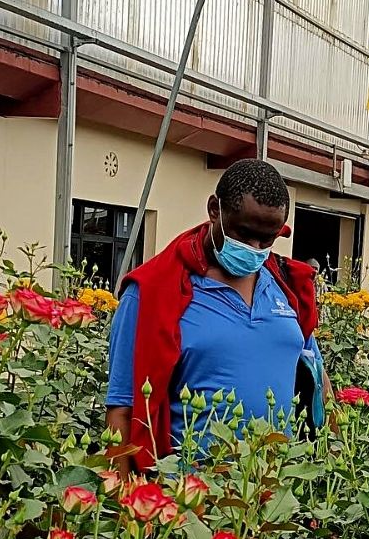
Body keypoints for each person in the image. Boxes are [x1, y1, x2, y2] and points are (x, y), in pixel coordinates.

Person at [105, 159, 327, 473]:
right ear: (214, 210)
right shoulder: (152, 292)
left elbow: (314, 372)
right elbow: (122, 409)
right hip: (190, 500)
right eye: (245, 234)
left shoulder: (287, 285)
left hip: (270, 497)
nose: (255, 248)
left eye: (268, 239)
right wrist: (121, 510)